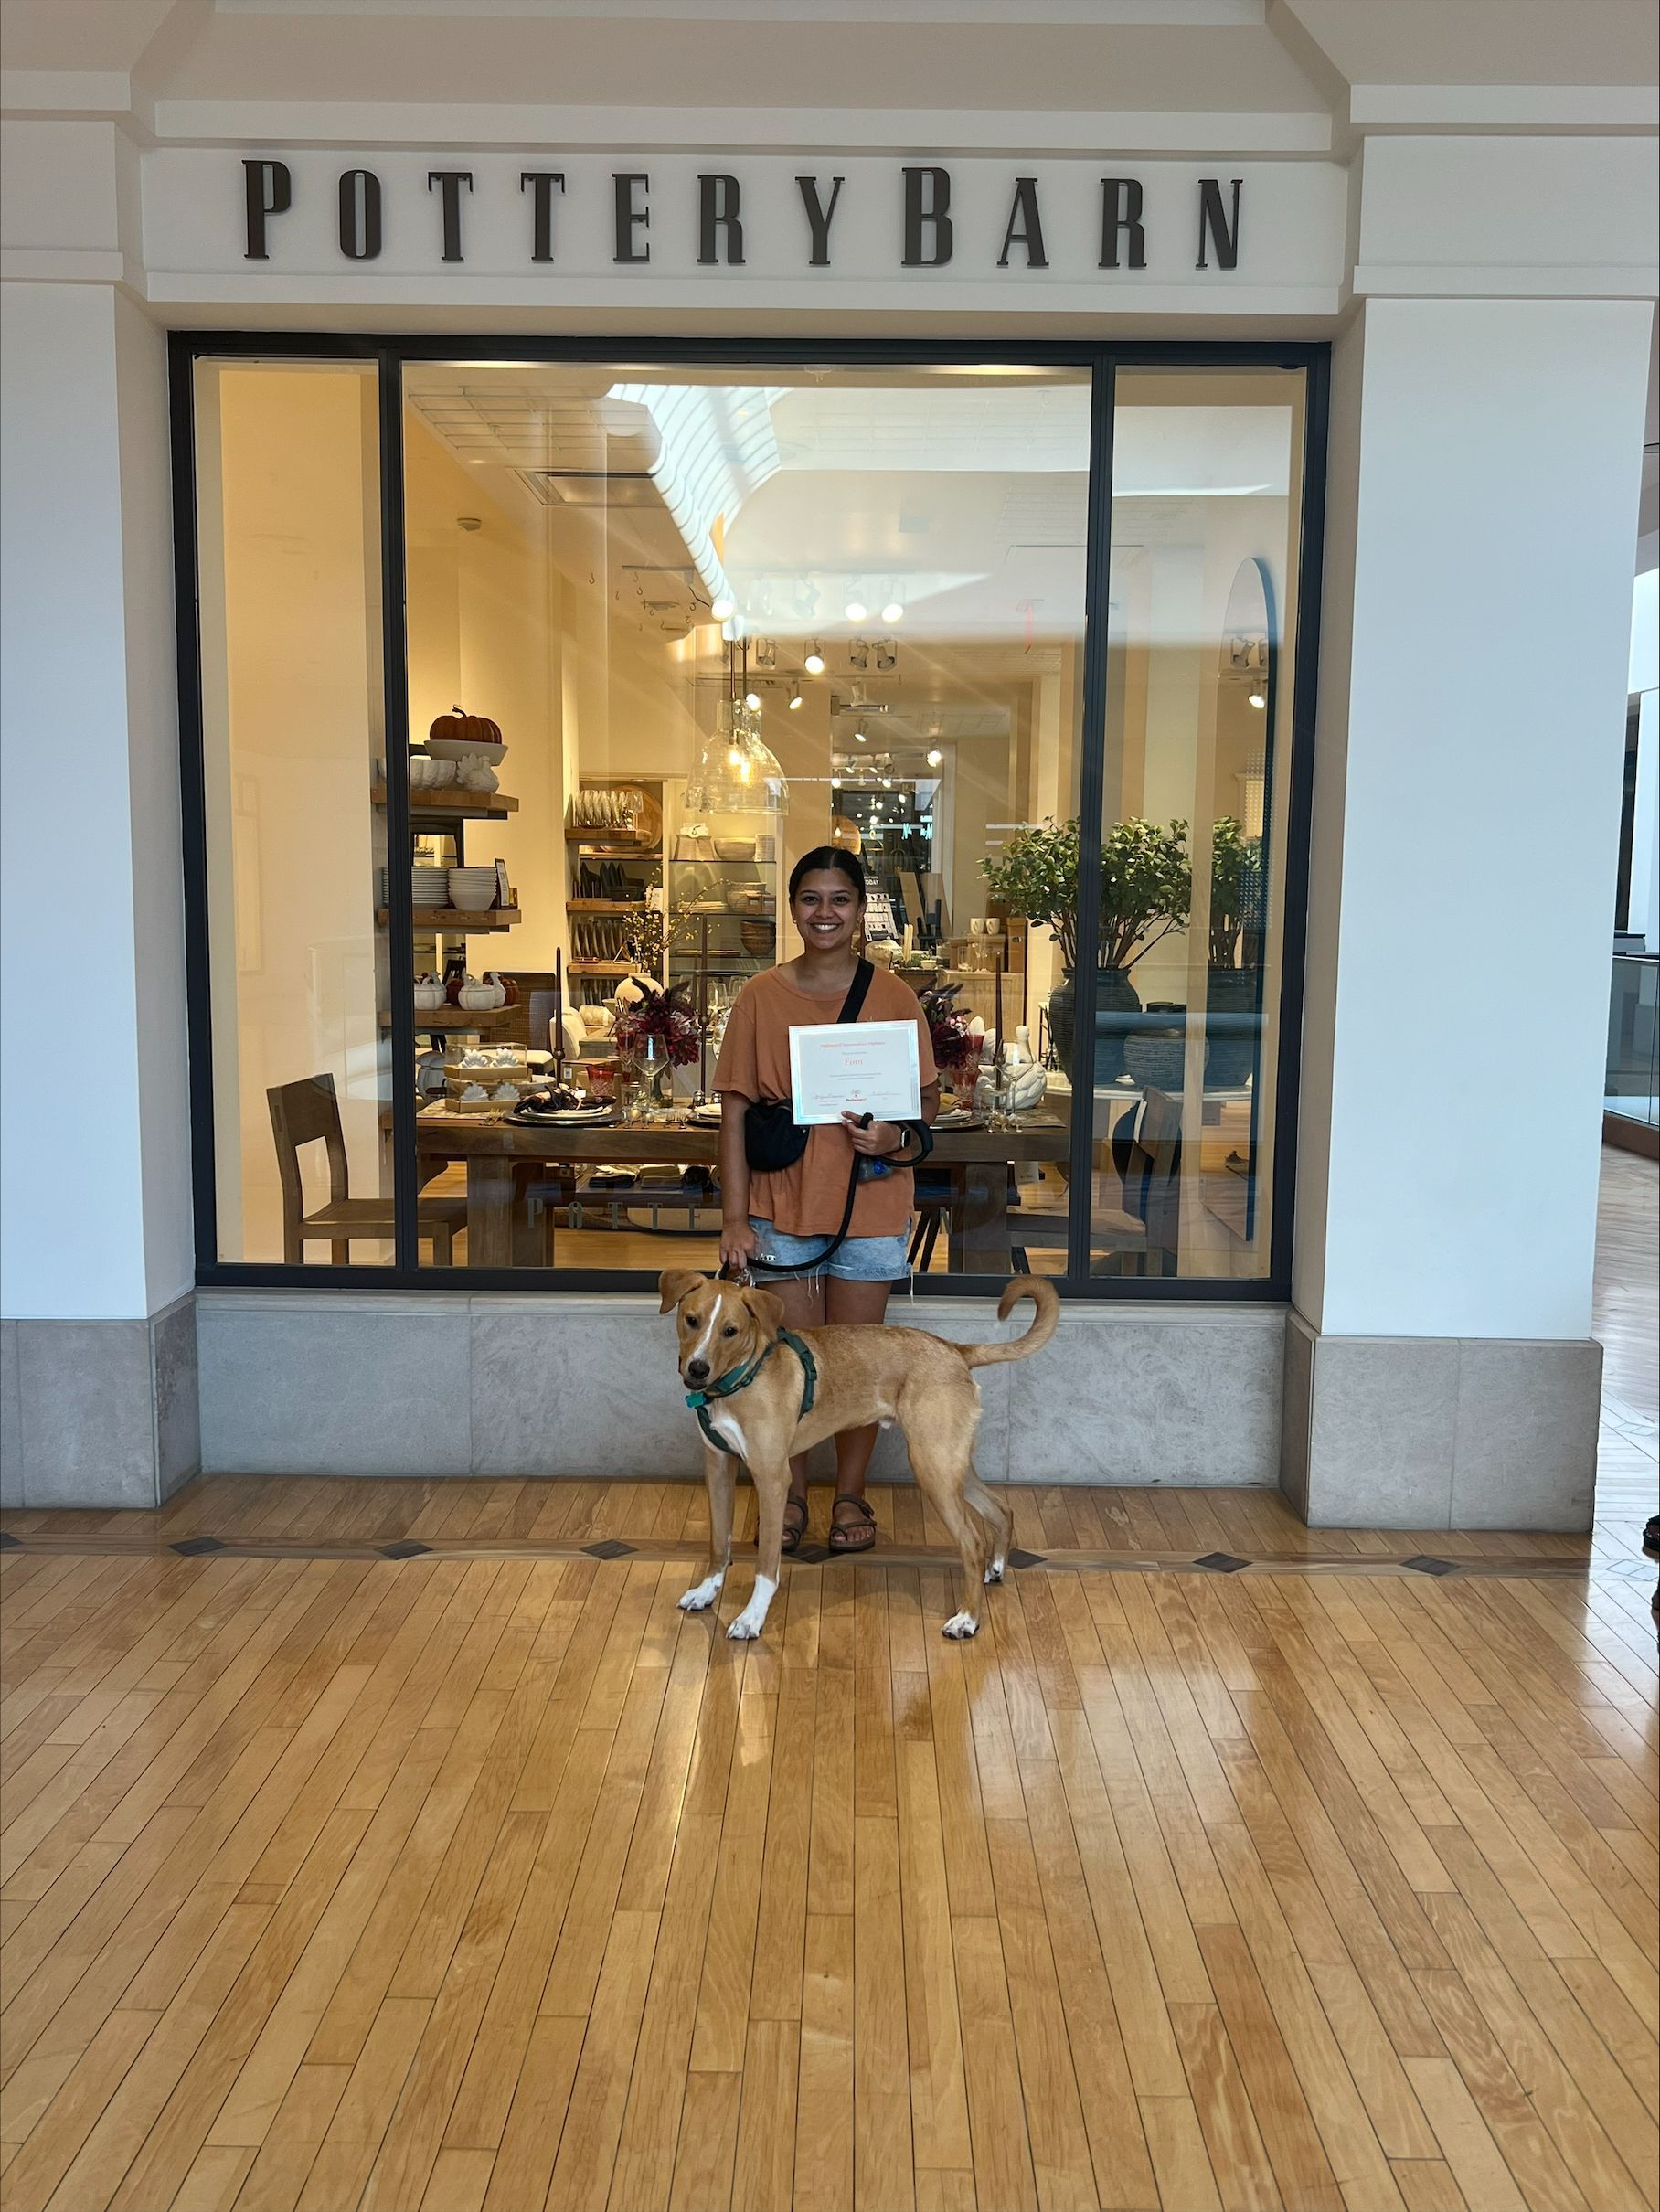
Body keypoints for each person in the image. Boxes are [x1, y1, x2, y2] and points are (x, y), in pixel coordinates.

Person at [712, 845, 940, 1555]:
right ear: (793, 908)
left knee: (858, 1370)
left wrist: (891, 1136)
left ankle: (851, 1495)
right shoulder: (759, 997)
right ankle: (788, 1496)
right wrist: (734, 1219)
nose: (825, 913)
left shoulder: (894, 996)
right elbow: (733, 1115)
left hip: (869, 1205)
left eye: (840, 899)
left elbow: (926, 1104)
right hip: (782, 1205)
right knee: (786, 1367)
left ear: (861, 908)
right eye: (811, 899)